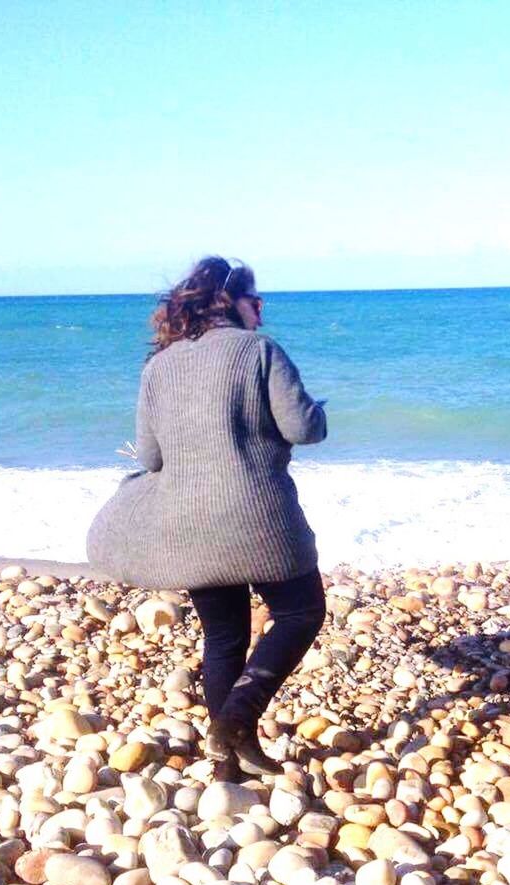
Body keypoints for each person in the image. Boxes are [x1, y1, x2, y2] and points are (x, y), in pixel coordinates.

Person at [88, 256, 327, 780]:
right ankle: (238, 720)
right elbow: (303, 428)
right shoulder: (259, 350)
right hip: (258, 523)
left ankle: (227, 766)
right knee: (301, 612)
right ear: (230, 301)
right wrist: (317, 409)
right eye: (254, 300)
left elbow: (151, 458)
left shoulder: (159, 366)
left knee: (224, 637)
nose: (261, 310)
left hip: (187, 526)